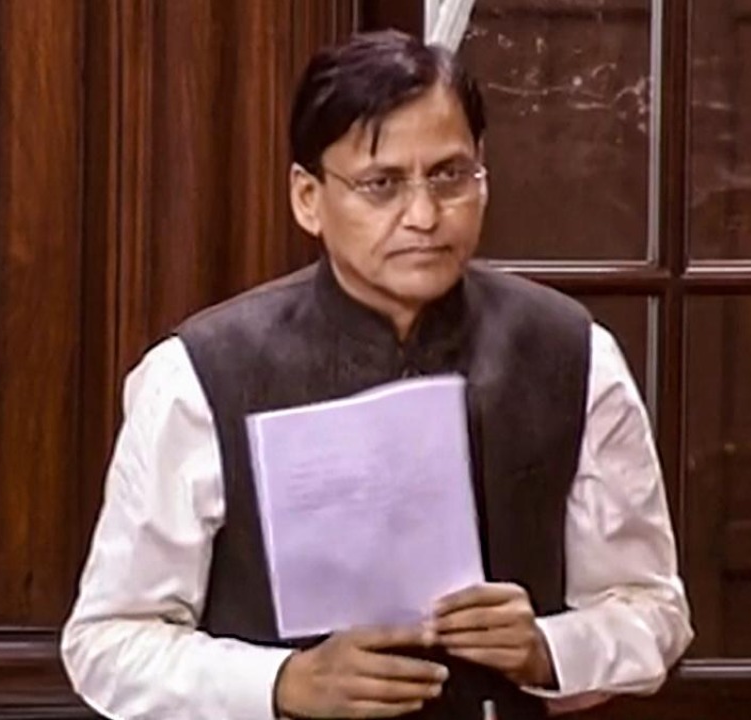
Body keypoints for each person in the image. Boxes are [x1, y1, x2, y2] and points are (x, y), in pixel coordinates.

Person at [61, 29, 692, 720]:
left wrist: (547, 647)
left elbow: (655, 613)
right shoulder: (199, 375)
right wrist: (283, 683)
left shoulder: (571, 353)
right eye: (382, 184)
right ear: (308, 197)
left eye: (450, 176)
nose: (423, 216)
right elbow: (107, 644)